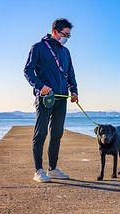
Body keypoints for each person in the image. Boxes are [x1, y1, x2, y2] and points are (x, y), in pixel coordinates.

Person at [24, 18, 78, 182]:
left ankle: (53, 169)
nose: (67, 38)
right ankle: (38, 170)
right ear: (55, 31)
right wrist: (41, 86)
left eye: (69, 35)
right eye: (65, 34)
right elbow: (28, 71)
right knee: (40, 134)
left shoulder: (65, 52)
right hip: (45, 98)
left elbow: (71, 74)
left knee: (57, 133)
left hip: (62, 99)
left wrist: (74, 91)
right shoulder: (38, 48)